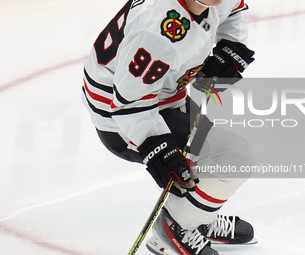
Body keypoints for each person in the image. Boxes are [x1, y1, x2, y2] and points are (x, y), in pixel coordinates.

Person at [82, 0, 256, 254]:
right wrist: (155, 145)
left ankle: (195, 216)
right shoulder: (158, 30)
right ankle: (173, 228)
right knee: (233, 156)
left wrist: (232, 45)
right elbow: (128, 103)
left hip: (160, 95)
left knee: (208, 151)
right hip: (120, 116)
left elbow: (235, 9)